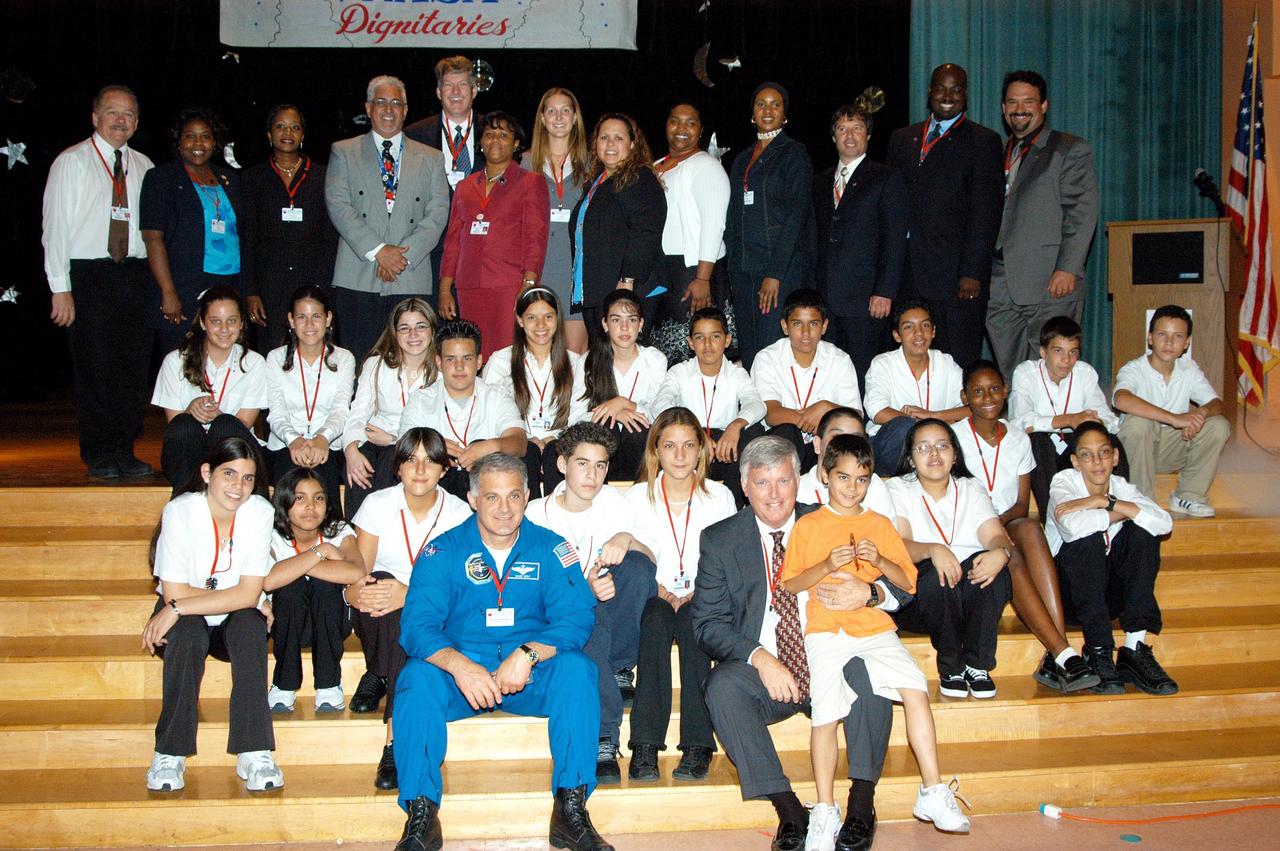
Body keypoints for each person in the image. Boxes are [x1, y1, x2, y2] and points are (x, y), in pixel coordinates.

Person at [694, 435, 911, 851]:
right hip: (769, 671)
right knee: (722, 687)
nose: (774, 494)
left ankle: (862, 804)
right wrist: (760, 658)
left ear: (800, 481)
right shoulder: (720, 539)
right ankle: (790, 810)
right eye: (762, 482)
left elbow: (904, 588)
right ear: (745, 485)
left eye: (784, 480)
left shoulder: (834, 521)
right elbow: (707, 622)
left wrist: (872, 595)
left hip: (832, 654)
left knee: (870, 671)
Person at [390, 452, 610, 851]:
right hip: (463, 678)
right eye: (492, 498)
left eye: (513, 496)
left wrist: (529, 653)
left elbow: (577, 617)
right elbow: (416, 626)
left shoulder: (552, 548)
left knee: (577, 670)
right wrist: (459, 666)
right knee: (416, 677)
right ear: (473, 499)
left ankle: (571, 808)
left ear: (527, 495)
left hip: (528, 675)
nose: (504, 509)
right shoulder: (443, 551)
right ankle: (421, 815)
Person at [782, 434, 968, 848]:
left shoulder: (879, 525)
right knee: (826, 715)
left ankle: (933, 791)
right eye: (843, 478)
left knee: (917, 689)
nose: (852, 488)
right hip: (826, 630)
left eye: (862, 479)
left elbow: (909, 582)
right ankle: (826, 810)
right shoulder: (809, 525)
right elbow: (791, 582)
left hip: (874, 627)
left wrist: (880, 561)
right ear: (825, 477)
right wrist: (825, 565)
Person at [141, 436, 282, 794]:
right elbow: (174, 591)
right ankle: (169, 753)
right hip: (187, 622)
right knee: (188, 632)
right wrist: (179, 605)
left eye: (248, 478)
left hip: (217, 616)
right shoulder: (180, 510)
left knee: (251, 625)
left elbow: (249, 594)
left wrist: (178, 606)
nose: (238, 487)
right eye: (229, 474)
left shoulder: (260, 512)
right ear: (207, 473)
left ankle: (254, 749)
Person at [527, 422, 659, 783]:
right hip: (557, 615)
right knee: (590, 614)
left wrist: (625, 537)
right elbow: (532, 586)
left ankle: (618, 667)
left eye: (600, 465)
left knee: (635, 566)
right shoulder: (535, 513)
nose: (592, 474)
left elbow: (649, 562)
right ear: (562, 465)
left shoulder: (615, 504)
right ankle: (604, 736)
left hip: (606, 609)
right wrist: (582, 589)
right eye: (582, 463)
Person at [958, 360, 1100, 693]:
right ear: (966, 397)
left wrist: (1001, 526)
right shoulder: (955, 437)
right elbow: (957, 500)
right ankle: (1062, 652)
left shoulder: (1019, 437)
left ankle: (1059, 652)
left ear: (1005, 391)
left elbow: (1022, 504)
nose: (987, 397)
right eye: (977, 392)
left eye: (994, 389)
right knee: (1011, 555)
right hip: (969, 528)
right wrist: (994, 531)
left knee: (1032, 529)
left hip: (1009, 520)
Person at [348, 427, 473, 790]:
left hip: (436, 611)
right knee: (381, 583)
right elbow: (360, 572)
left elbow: (462, 585)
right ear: (398, 467)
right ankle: (383, 676)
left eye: (430, 461)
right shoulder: (376, 504)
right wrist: (352, 593)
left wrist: (411, 594)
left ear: (444, 469)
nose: (420, 470)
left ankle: (393, 737)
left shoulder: (460, 513)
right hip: (382, 609)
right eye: (410, 460)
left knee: (412, 614)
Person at [42, 84, 155, 479]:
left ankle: (124, 449)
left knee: (132, 368)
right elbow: (54, 228)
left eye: (128, 114)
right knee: (95, 367)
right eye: (112, 112)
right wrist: (61, 287)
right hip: (89, 275)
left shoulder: (144, 165)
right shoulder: (71, 162)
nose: (120, 120)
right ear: (95, 117)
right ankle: (99, 453)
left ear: (137, 122)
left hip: (135, 275)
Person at [624, 407, 736, 783]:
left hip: (702, 596)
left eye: (689, 445)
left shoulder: (720, 497)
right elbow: (632, 556)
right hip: (653, 594)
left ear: (701, 450)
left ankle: (698, 743)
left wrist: (695, 593)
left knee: (692, 621)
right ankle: (644, 743)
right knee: (656, 617)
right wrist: (656, 588)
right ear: (656, 449)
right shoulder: (638, 497)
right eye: (670, 445)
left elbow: (728, 558)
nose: (679, 455)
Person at [1046, 422, 1177, 695]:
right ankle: (1098, 649)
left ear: (1115, 457)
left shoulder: (1121, 486)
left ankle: (1133, 648)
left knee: (1143, 533)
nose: (1096, 461)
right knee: (1089, 539)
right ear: (1074, 462)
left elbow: (1163, 523)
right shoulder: (1063, 482)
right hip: (1071, 595)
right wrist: (1127, 511)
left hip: (1110, 596)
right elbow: (1073, 528)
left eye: (1104, 452)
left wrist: (1108, 502)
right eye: (1086, 455)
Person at [886, 63, 1003, 368]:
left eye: (956, 89)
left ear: (966, 93)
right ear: (930, 92)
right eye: (941, 88)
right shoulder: (903, 138)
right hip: (909, 272)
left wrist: (973, 271)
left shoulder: (983, 141)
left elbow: (986, 211)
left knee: (957, 355)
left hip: (956, 276)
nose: (947, 96)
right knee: (910, 354)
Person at [324, 75, 450, 360]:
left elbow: (438, 211)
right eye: (381, 102)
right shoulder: (344, 152)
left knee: (413, 363)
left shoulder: (431, 158)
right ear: (368, 108)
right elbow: (339, 205)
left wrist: (401, 257)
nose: (389, 109)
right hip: (359, 274)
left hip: (410, 274)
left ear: (406, 110)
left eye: (396, 103)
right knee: (358, 360)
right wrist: (379, 251)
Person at [887, 419, 1013, 699]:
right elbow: (899, 545)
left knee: (991, 567)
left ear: (955, 454)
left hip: (969, 593)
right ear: (910, 458)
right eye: (923, 447)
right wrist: (933, 549)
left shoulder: (971, 488)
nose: (934, 454)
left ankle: (978, 665)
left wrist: (1000, 553)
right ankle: (952, 667)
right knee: (936, 572)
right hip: (921, 598)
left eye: (942, 446)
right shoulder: (898, 488)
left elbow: (995, 536)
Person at [985, 71, 1099, 378]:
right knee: (1013, 373)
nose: (1019, 108)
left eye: (1028, 101)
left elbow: (1082, 212)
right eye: (1012, 101)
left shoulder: (1068, 149)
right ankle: (1022, 425)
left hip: (1050, 280)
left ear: (1044, 105)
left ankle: (1054, 426)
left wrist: (1068, 268)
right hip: (999, 283)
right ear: (1003, 108)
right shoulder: (995, 152)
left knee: (1051, 370)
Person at [436, 110, 549, 356]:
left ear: (516, 143)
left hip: (509, 285)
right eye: (489, 134)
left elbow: (535, 238)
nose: (494, 140)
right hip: (469, 286)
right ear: (481, 143)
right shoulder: (465, 186)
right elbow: (453, 241)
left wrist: (528, 284)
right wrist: (445, 289)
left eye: (503, 135)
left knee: (506, 358)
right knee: (474, 355)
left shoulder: (530, 182)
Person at [813, 104, 908, 378]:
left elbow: (895, 239)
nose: (850, 135)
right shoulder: (819, 181)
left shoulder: (886, 177)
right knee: (828, 372)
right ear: (834, 137)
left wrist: (885, 290)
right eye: (842, 129)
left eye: (857, 128)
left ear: (868, 135)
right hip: (826, 298)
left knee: (862, 371)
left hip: (867, 300)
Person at [725, 82, 815, 369]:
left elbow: (795, 218)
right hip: (743, 269)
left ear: (784, 114)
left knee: (771, 348)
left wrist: (775, 273)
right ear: (752, 113)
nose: (767, 110)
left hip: (776, 269)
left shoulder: (794, 153)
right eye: (761, 104)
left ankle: (777, 413)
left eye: (775, 104)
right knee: (750, 349)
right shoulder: (740, 159)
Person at [263, 466, 366, 713]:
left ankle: (329, 684)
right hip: (288, 624)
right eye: (300, 499)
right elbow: (267, 581)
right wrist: (319, 554)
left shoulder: (338, 530)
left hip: (331, 624)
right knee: (290, 587)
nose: (311, 507)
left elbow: (356, 572)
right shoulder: (272, 533)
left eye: (318, 498)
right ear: (284, 501)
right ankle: (283, 684)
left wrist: (299, 565)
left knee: (321, 584)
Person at [239, 104, 339, 353]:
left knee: (311, 348)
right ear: (269, 134)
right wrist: (250, 291)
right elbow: (247, 237)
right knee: (270, 349)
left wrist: (320, 287)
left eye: (295, 127)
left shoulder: (324, 176)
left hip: (311, 277)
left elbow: (330, 237)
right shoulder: (252, 179)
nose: (288, 132)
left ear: (303, 135)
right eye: (280, 126)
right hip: (268, 282)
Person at [1113, 305, 1230, 517]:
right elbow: (1121, 399)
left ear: (1187, 343)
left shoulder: (1189, 369)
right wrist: (1175, 419)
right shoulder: (1134, 369)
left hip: (1172, 449)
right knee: (1139, 423)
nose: (1169, 342)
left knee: (1218, 425)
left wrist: (1199, 415)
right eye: (1162, 334)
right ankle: (1142, 500)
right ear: (1150, 338)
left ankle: (1188, 496)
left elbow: (1216, 403)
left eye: (1177, 336)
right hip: (1136, 454)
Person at [140, 106, 242, 352]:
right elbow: (153, 239)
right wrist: (168, 292)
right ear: (178, 141)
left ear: (214, 142)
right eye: (190, 135)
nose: (199, 142)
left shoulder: (230, 179)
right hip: (184, 289)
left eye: (205, 136)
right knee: (183, 363)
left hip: (229, 286)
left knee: (225, 362)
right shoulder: (161, 179)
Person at [151, 286, 268, 494]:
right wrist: (191, 411)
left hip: (233, 450)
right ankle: (184, 505)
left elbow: (243, 424)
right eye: (216, 321)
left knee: (225, 425)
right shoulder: (174, 361)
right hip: (190, 452)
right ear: (203, 323)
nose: (224, 329)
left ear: (241, 323)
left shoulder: (255, 363)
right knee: (184, 425)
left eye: (231, 320)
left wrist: (218, 415)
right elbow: (175, 424)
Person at [1007, 315, 1123, 519]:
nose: (1066, 360)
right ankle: (1051, 516)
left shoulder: (1084, 372)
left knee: (1109, 441)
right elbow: (1020, 423)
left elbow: (1109, 419)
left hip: (1076, 444)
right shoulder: (1026, 373)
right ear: (1043, 352)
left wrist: (1095, 422)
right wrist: (1068, 419)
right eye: (1058, 351)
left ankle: (1116, 509)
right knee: (1036, 440)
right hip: (1044, 448)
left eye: (1073, 353)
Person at [399, 319, 527, 498]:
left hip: (486, 486)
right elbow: (403, 447)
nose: (459, 367)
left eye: (467, 358)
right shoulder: (420, 399)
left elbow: (519, 442)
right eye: (450, 359)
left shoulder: (496, 395)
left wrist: (490, 446)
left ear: (479, 361)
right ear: (438, 362)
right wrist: (435, 447)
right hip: (437, 486)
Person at [652, 306, 767, 502]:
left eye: (715, 337)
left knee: (752, 432)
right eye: (699, 337)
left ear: (727, 340)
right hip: (690, 444)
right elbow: (659, 405)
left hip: (724, 446)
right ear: (690, 342)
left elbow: (757, 404)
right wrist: (695, 432)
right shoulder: (679, 372)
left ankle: (734, 507)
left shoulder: (737, 373)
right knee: (669, 434)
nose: (707, 345)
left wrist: (736, 425)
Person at [568, 112, 666, 338]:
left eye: (618, 138)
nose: (610, 144)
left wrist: (627, 281)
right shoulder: (598, 180)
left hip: (626, 289)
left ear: (632, 144)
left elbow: (646, 233)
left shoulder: (640, 179)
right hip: (597, 289)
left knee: (623, 362)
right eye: (604, 137)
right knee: (603, 361)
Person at [483, 287, 587, 496]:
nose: (541, 325)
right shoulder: (501, 361)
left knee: (554, 452)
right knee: (527, 452)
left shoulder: (576, 363)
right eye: (532, 317)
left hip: (560, 444)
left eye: (548, 316)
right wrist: (526, 438)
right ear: (520, 320)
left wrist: (553, 438)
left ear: (557, 319)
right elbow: (491, 412)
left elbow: (580, 413)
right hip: (517, 445)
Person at [341, 297, 439, 519]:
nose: (413, 335)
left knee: (392, 459)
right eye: (405, 328)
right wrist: (351, 450)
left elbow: (442, 424)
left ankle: (387, 538)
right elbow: (357, 413)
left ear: (432, 330)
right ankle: (357, 538)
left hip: (419, 443)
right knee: (360, 465)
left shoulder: (442, 370)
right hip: (374, 440)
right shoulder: (376, 364)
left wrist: (395, 439)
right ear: (395, 333)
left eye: (420, 327)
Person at [264, 285, 355, 514]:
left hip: (329, 445)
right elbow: (276, 412)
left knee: (325, 481)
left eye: (316, 316)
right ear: (291, 321)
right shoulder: (275, 358)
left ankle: (333, 540)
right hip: (285, 444)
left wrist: (322, 439)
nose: (309, 325)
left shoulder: (344, 358)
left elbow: (341, 410)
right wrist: (293, 440)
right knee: (288, 483)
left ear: (328, 319)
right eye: (301, 317)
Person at [650, 101, 730, 362]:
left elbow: (714, 223)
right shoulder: (658, 164)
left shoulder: (707, 166)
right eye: (675, 121)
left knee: (691, 349)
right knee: (665, 348)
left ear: (701, 130)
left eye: (690, 123)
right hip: (665, 269)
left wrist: (703, 278)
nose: (681, 128)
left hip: (693, 270)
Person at [750, 288, 862, 470]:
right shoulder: (767, 358)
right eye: (797, 324)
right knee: (788, 432)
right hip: (782, 445)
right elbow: (771, 413)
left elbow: (854, 416)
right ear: (785, 327)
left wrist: (826, 407)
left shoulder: (839, 359)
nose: (805, 332)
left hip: (824, 443)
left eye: (813, 324)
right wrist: (812, 418)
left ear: (824, 326)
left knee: (845, 435)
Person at [862, 298, 966, 476]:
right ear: (897, 335)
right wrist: (924, 426)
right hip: (893, 447)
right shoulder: (883, 363)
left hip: (936, 446)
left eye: (925, 326)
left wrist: (933, 416)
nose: (919, 334)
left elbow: (972, 409)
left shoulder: (946, 362)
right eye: (909, 327)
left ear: (933, 331)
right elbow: (878, 412)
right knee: (903, 427)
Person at [526, 87, 590, 352]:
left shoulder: (592, 165)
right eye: (551, 111)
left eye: (565, 110)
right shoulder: (524, 164)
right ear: (542, 118)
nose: (559, 117)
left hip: (576, 274)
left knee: (574, 361)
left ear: (575, 117)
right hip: (537, 272)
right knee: (538, 359)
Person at [583, 288, 669, 482]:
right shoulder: (587, 361)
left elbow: (660, 414)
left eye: (631, 320)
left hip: (640, 445)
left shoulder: (655, 360)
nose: (624, 328)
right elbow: (575, 416)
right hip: (601, 449)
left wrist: (625, 403)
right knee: (607, 425)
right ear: (605, 324)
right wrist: (614, 413)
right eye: (616, 320)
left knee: (636, 428)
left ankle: (642, 494)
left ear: (641, 324)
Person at [405, 55, 486, 190]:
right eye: (448, 85)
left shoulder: (492, 131)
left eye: (463, 84)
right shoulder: (415, 136)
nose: (456, 91)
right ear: (438, 92)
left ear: (474, 91)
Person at [798, 407, 894, 518]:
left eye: (855, 438)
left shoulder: (873, 487)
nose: (846, 444)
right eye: (837, 437)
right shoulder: (798, 489)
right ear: (817, 444)